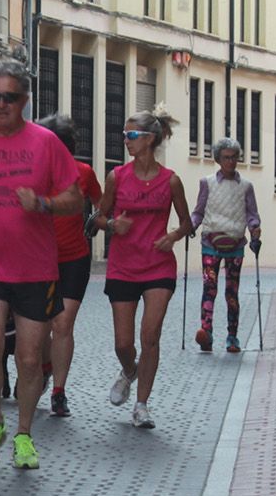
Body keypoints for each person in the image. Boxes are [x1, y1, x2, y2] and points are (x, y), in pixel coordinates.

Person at [0, 62, 82, 470]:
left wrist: (43, 204)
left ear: (24, 100)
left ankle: (23, 432)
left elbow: (75, 198)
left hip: (37, 268)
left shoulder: (46, 144)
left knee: (28, 359)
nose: (0, 104)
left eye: (9, 97)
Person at [94, 109, 193, 429]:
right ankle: (129, 370)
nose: (126, 141)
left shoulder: (171, 180)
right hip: (123, 267)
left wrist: (173, 236)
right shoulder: (116, 177)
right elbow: (96, 219)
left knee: (150, 335)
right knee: (123, 344)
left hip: (158, 267)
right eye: (124, 135)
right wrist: (111, 224)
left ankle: (141, 405)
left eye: (131, 136)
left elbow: (187, 223)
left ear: (150, 139)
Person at [36, 114, 102, 417]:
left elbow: (103, 204)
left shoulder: (83, 172)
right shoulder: (32, 172)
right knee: (41, 329)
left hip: (74, 257)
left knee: (63, 324)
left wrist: (100, 221)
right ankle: (47, 366)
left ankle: (59, 392)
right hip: (38, 258)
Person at [190, 137, 262, 353]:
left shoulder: (246, 186)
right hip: (210, 243)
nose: (231, 162)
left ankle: (232, 337)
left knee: (232, 292)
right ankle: (206, 332)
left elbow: (252, 214)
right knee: (209, 288)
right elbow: (199, 211)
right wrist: (190, 226)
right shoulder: (207, 183)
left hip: (236, 244)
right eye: (226, 158)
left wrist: (255, 228)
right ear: (218, 159)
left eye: (234, 158)